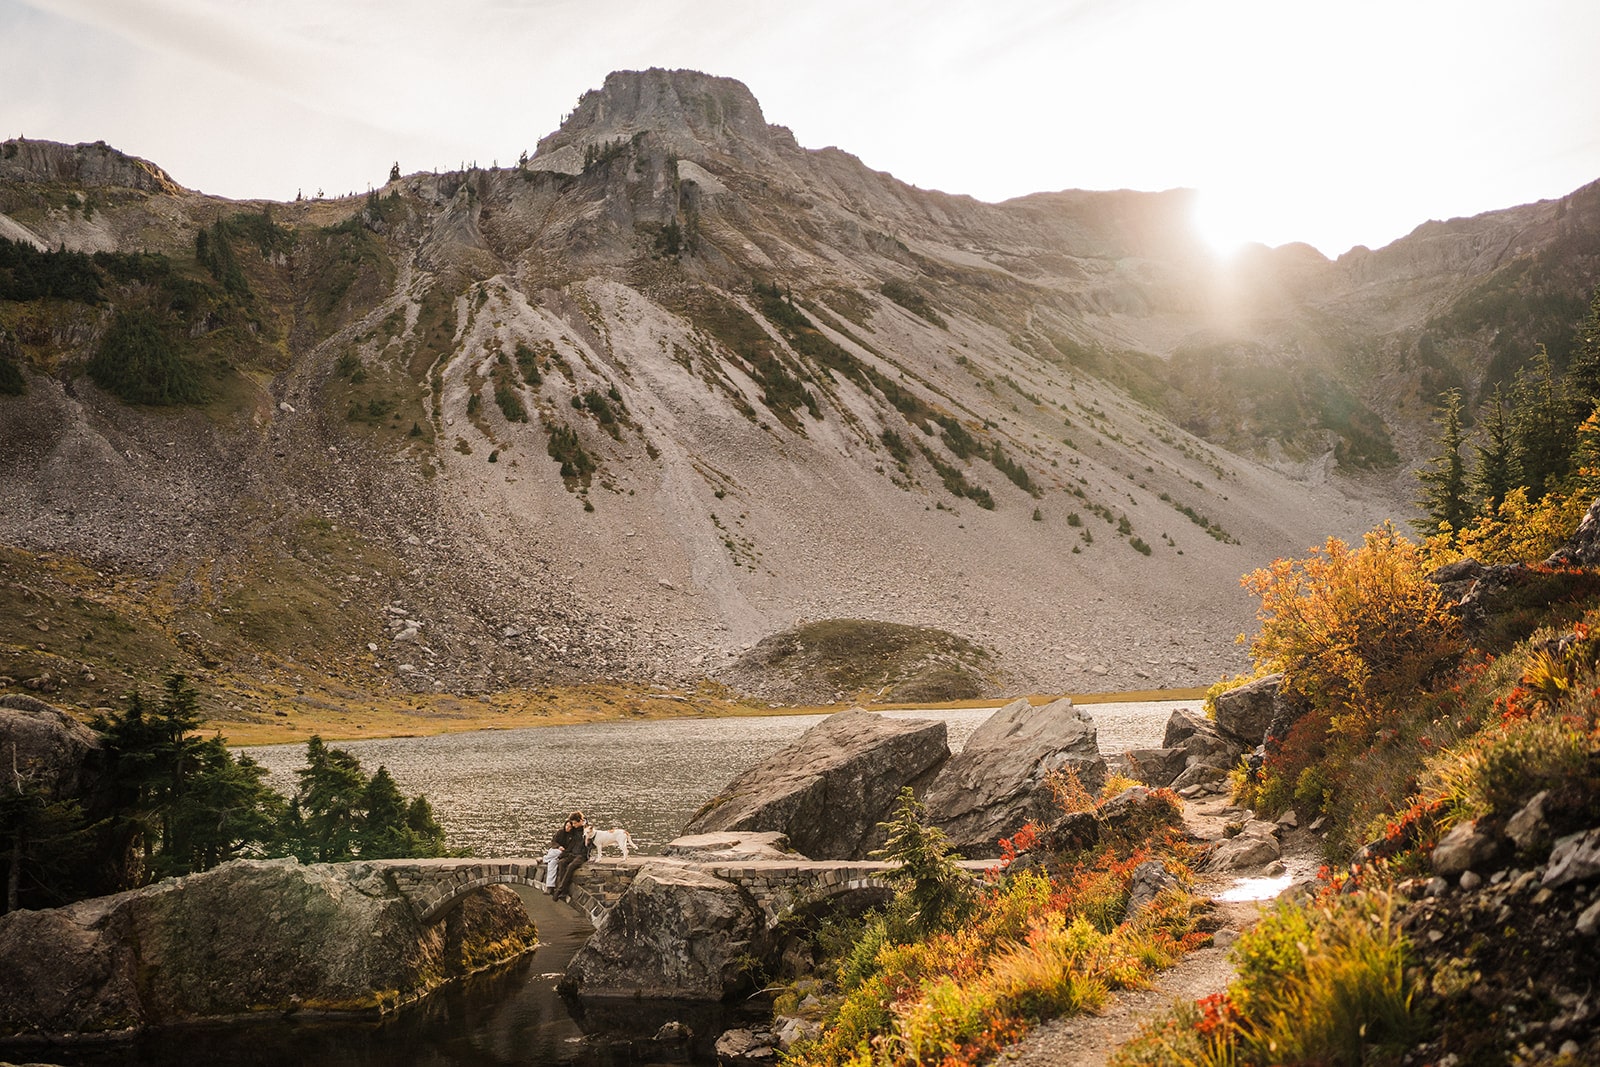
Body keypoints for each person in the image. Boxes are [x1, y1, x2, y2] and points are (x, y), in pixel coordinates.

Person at [550, 810, 588, 901]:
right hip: (572, 853)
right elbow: (564, 832)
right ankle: (563, 890)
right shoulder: (573, 829)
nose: (573, 825)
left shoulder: (586, 829)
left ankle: (560, 890)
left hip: (582, 855)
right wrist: (559, 847)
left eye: (575, 823)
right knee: (562, 863)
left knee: (571, 866)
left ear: (580, 821)